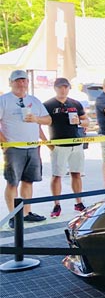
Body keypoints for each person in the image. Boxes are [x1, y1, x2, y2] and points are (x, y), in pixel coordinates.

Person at [0, 69, 51, 227]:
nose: (21, 83)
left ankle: (27, 212)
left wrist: (36, 119)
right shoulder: (4, 100)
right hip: (14, 147)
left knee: (29, 181)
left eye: (24, 80)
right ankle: (14, 215)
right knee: (12, 182)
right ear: (11, 82)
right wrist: (4, 144)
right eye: (17, 81)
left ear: (28, 83)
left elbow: (48, 120)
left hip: (33, 147)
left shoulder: (34, 100)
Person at [42, 78, 89, 218]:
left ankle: (79, 202)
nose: (63, 90)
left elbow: (87, 121)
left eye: (65, 87)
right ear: (55, 88)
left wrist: (80, 121)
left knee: (77, 173)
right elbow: (39, 123)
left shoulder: (75, 103)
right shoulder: (48, 104)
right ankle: (56, 204)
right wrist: (46, 142)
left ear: (69, 88)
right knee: (57, 175)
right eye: (60, 87)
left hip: (76, 143)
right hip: (59, 144)